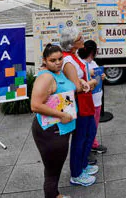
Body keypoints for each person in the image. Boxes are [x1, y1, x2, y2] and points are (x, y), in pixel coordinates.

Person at [30, 44, 79, 198]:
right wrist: (61, 115)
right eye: (53, 60)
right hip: (52, 131)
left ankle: (55, 194)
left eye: (60, 59)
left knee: (54, 167)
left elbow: (64, 90)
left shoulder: (57, 72)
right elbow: (35, 105)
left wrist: (81, 84)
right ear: (44, 60)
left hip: (61, 129)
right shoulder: (46, 77)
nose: (58, 62)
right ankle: (52, 195)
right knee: (52, 170)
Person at [60, 27, 98, 187]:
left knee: (89, 134)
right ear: (72, 44)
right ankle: (76, 174)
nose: (83, 40)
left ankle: (82, 165)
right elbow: (76, 87)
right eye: (80, 38)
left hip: (85, 101)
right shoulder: (68, 60)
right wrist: (91, 83)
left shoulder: (73, 56)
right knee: (80, 138)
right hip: (78, 103)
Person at [77, 40, 108, 157]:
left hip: (97, 100)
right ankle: (86, 150)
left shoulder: (93, 63)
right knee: (87, 128)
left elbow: (99, 77)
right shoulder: (80, 64)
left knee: (94, 126)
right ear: (93, 51)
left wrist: (102, 76)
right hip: (87, 102)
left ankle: (93, 144)